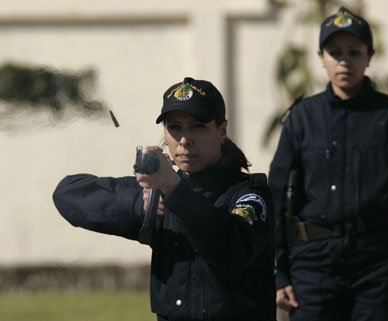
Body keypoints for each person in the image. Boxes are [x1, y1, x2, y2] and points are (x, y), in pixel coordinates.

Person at [269, 7, 388, 321]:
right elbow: (278, 198)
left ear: (370, 56)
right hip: (313, 266)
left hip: (379, 264)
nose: (344, 61)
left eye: (354, 52)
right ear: (321, 56)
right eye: (335, 52)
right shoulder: (302, 119)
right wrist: (278, 270)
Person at [53, 77, 276, 321]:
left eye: (197, 126)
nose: (184, 139)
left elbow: (231, 249)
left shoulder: (250, 194)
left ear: (222, 130)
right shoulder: (160, 190)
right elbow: (68, 194)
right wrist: (139, 205)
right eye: (175, 127)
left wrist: (174, 189)